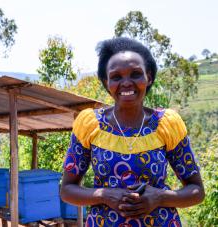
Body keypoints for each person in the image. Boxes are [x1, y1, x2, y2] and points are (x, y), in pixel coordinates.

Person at [60, 37, 205, 227]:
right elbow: (67, 190)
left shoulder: (166, 124)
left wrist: (159, 197)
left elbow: (196, 191)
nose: (126, 83)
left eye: (136, 74)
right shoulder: (90, 124)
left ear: (149, 77)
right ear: (106, 82)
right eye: (116, 77)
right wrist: (104, 195)